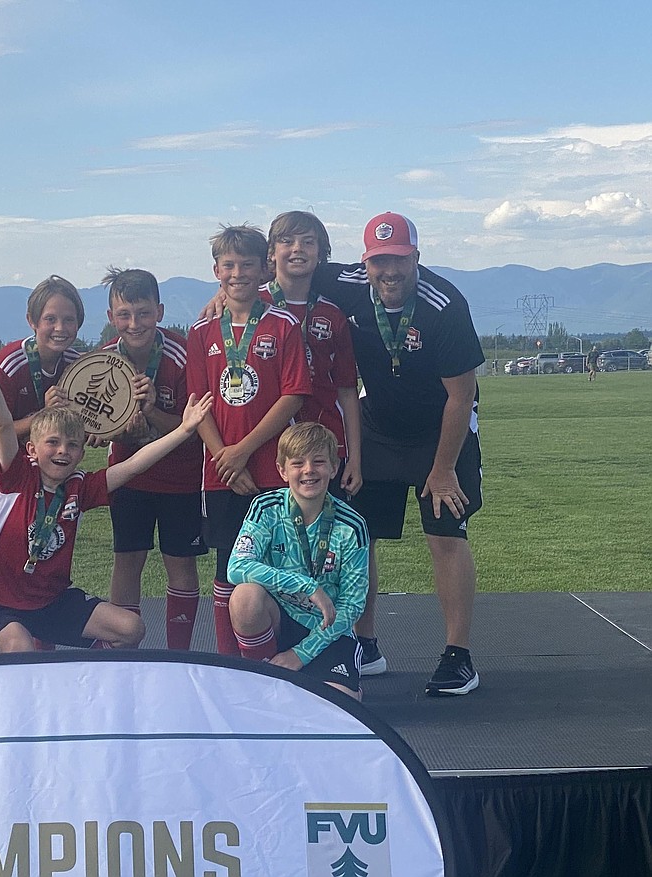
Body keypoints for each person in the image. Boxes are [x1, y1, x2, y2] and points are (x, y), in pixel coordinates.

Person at [0, 335, 214, 653]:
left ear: (81, 451)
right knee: (20, 646)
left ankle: (90, 683)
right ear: (31, 449)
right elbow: (4, 426)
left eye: (72, 445)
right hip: (2, 606)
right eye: (53, 443)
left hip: (52, 603)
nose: (63, 451)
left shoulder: (79, 487)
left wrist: (184, 430)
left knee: (130, 629)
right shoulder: (17, 476)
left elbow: (133, 465)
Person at [315, 212, 484, 696]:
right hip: (379, 426)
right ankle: (363, 644)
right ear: (365, 261)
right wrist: (225, 297)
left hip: (442, 429)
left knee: (445, 533)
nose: (389, 271)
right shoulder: (346, 281)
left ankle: (459, 657)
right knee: (358, 534)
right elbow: (284, 271)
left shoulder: (444, 304)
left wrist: (444, 469)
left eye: (399, 260)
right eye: (379, 261)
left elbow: (460, 395)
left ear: (416, 257)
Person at [186, 224, 312, 657]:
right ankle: (228, 664)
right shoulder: (201, 332)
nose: (236, 273)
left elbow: (293, 395)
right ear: (216, 270)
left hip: (271, 472)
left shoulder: (283, 325)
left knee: (275, 564)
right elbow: (197, 403)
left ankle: (275, 659)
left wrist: (243, 452)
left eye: (246, 265)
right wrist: (225, 457)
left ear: (264, 270)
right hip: (220, 473)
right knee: (226, 567)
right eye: (228, 265)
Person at [99, 267, 206, 649]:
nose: (134, 323)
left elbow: (195, 426)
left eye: (143, 313)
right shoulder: (102, 362)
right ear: (111, 317)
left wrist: (150, 411)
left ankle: (179, 653)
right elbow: (96, 426)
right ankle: (121, 648)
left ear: (159, 312)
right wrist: (101, 431)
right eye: (124, 314)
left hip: (181, 478)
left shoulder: (182, 354)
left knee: (180, 563)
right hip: (129, 479)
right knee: (127, 560)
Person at [226, 423, 369, 700]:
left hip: (326, 629)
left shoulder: (352, 525)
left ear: (334, 467)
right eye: (298, 463)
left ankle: (308, 677)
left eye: (318, 462)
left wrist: (299, 655)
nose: (308, 470)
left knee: (343, 705)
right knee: (245, 596)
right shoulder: (265, 508)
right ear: (282, 470)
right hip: (280, 620)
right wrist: (307, 586)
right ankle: (262, 678)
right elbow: (237, 566)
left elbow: (352, 606)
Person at [0, 276, 84, 543]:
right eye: (50, 319)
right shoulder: (6, 365)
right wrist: (44, 414)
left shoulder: (78, 367)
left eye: (69, 320)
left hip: (41, 459)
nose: (60, 328)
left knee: (34, 533)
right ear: (32, 321)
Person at [263, 212, 362, 499]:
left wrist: (354, 457)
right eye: (287, 241)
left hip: (325, 447)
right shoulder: (250, 307)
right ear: (272, 253)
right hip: (267, 446)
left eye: (308, 242)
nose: (297, 248)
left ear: (321, 254)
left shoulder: (333, 314)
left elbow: (347, 391)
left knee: (325, 538)